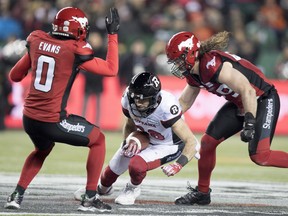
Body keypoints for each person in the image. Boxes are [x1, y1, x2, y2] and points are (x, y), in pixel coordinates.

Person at [4, 6, 120, 213]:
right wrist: (112, 35)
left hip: (29, 118)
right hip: (52, 120)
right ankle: (90, 199)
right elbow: (112, 69)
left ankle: (16, 196)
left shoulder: (36, 40)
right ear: (78, 29)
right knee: (98, 139)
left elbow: (14, 76)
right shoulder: (75, 50)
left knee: (42, 149)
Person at [165, 31, 288, 205]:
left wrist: (250, 122)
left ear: (191, 53)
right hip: (240, 102)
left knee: (261, 156)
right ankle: (202, 192)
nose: (177, 64)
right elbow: (185, 101)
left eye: (179, 59)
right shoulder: (193, 71)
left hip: (262, 98)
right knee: (207, 143)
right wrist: (166, 120)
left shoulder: (212, 65)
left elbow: (248, 90)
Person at [74, 71, 200, 205]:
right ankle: (102, 189)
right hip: (146, 137)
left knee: (136, 165)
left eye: (143, 99)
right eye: (136, 98)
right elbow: (129, 124)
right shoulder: (129, 99)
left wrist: (178, 165)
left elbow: (191, 141)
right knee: (108, 175)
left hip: (168, 144)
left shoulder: (167, 107)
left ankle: (132, 189)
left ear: (154, 98)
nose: (138, 103)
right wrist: (128, 142)